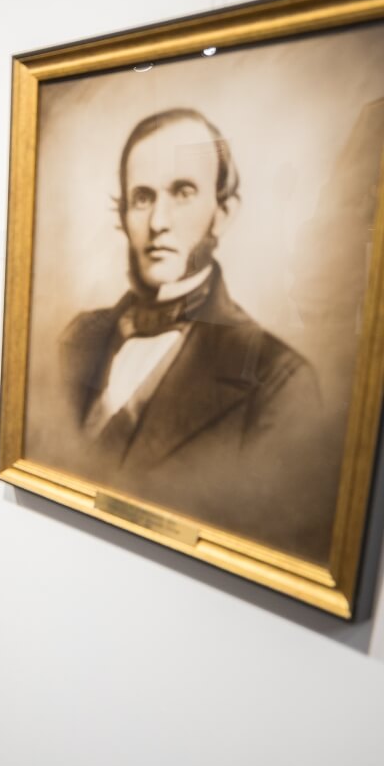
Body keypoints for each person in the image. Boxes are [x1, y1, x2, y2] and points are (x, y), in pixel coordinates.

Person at [56, 107, 330, 557]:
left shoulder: (280, 380)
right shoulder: (74, 339)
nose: (159, 221)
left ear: (222, 213)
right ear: (123, 214)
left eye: (182, 192)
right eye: (142, 197)